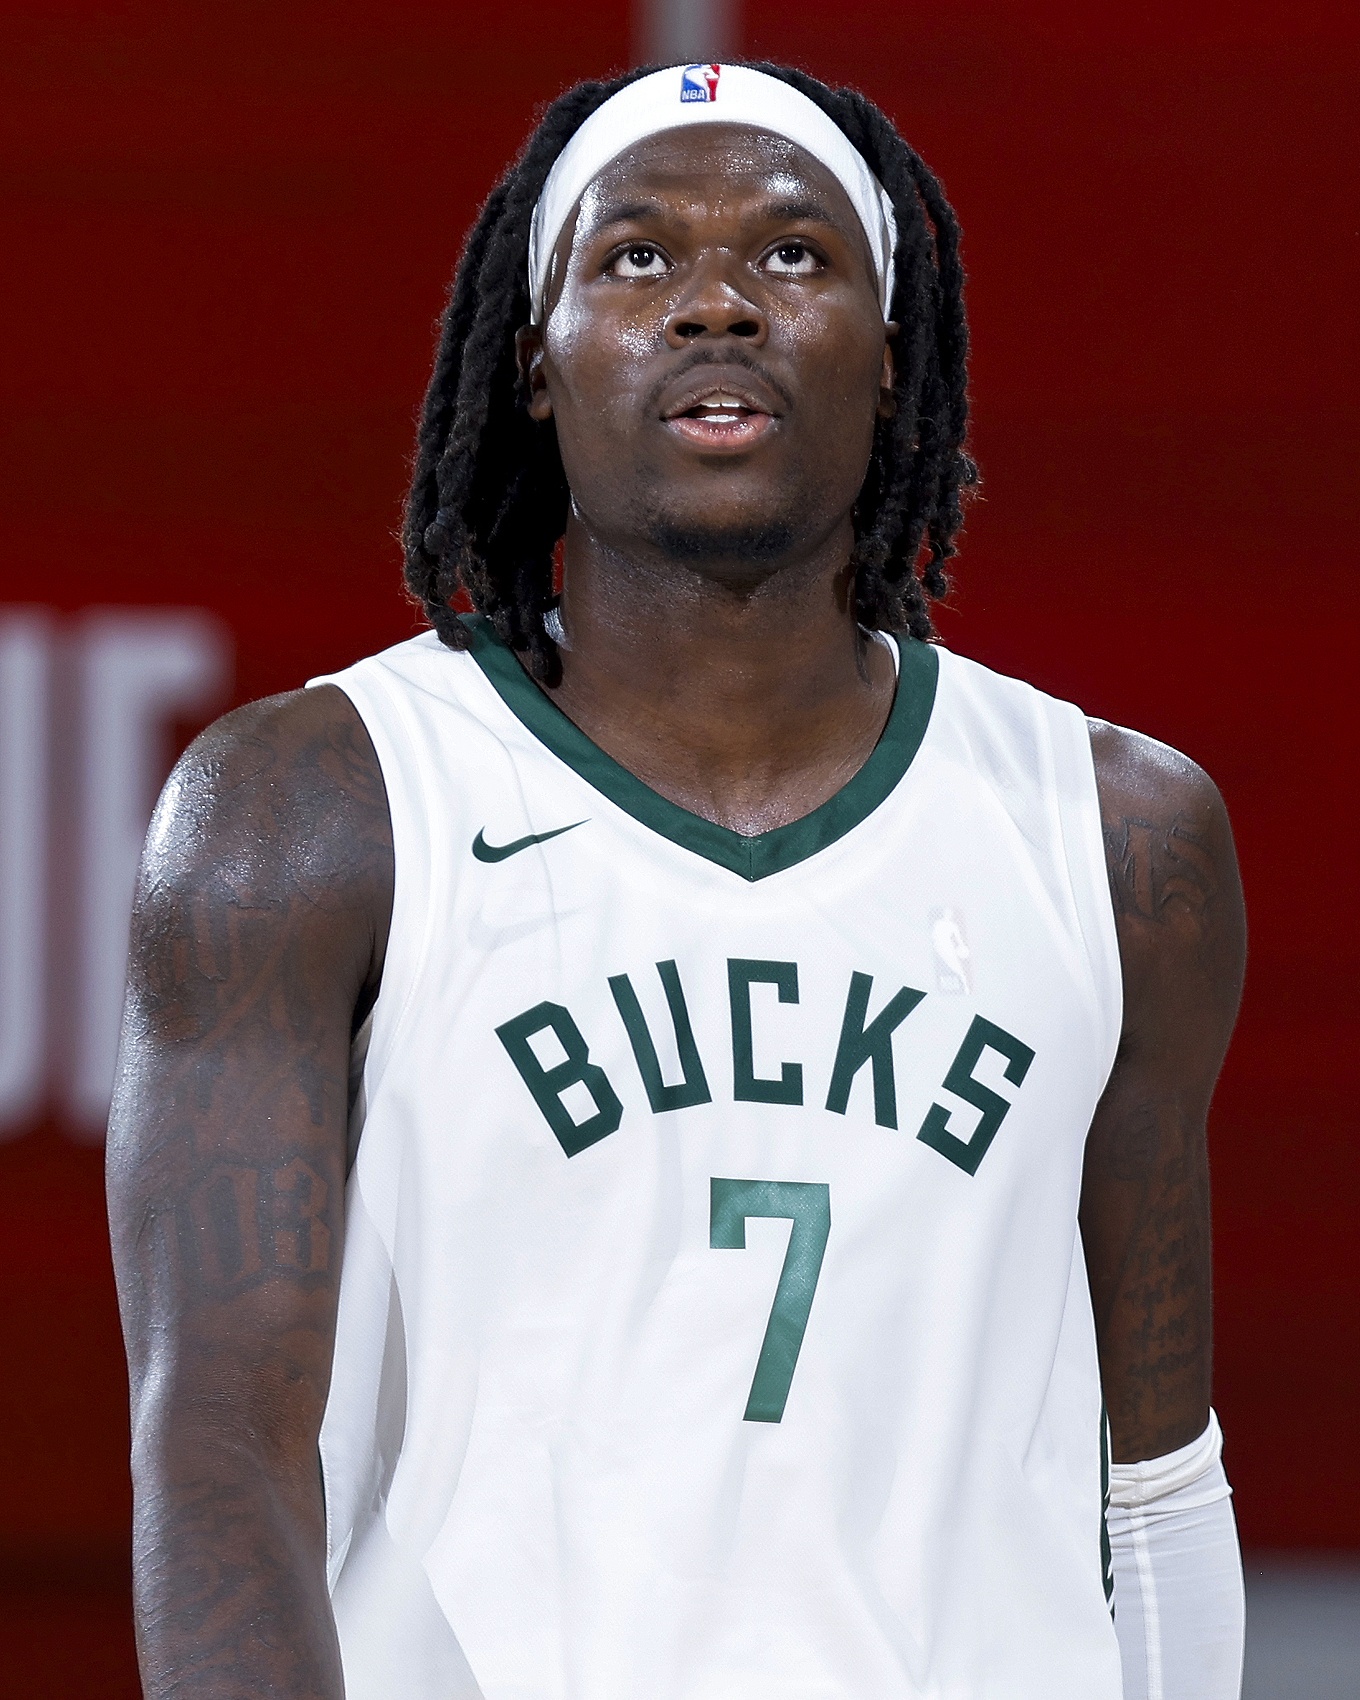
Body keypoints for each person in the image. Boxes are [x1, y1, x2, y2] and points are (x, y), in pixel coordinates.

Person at [107, 61, 1248, 1700]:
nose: (718, 301)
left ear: (892, 356)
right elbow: (219, 1453)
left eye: (792, 253)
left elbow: (1157, 1481)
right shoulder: (314, 808)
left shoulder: (1121, 836)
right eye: (637, 255)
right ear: (536, 360)